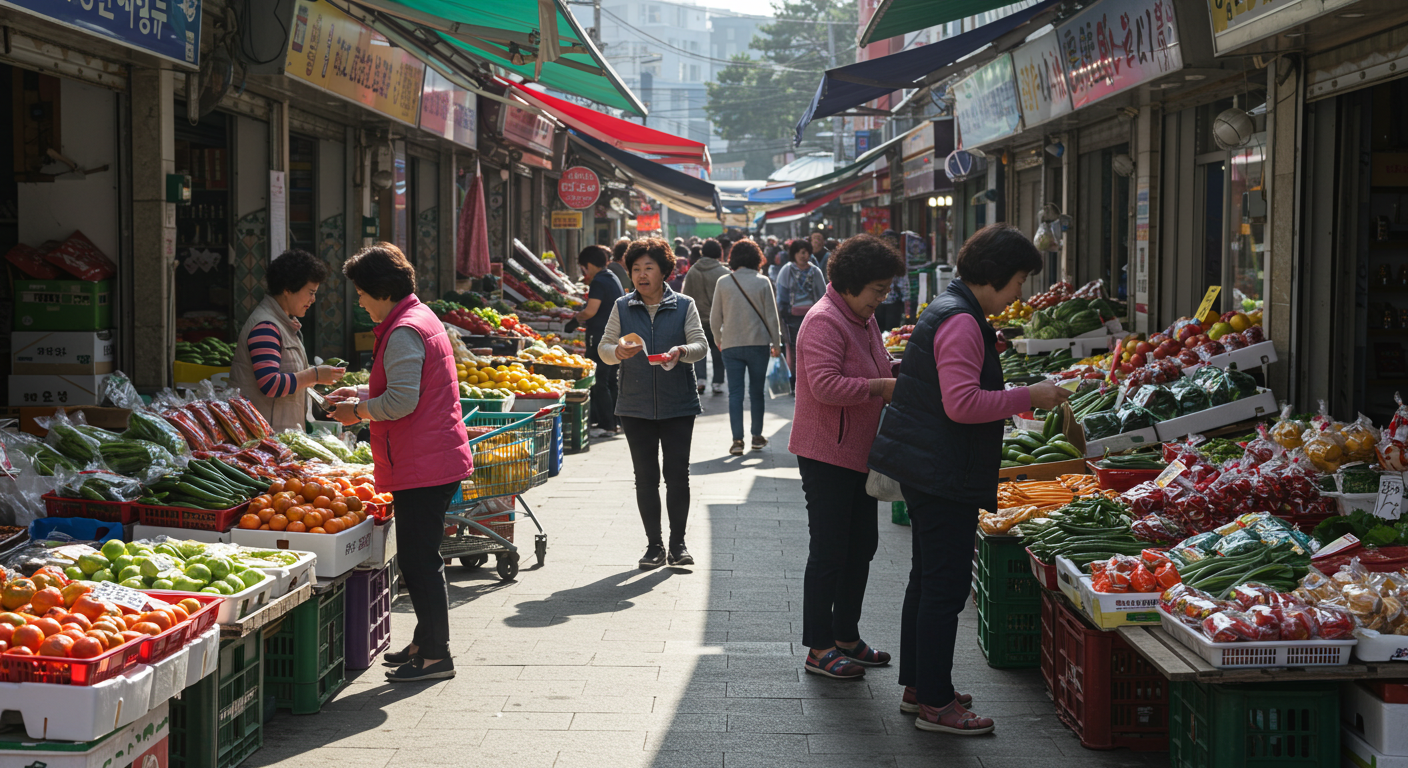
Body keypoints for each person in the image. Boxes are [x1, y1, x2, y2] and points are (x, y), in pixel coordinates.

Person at [868, 224, 1070, 734]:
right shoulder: (960, 319)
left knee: (927, 581)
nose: (1019, 292)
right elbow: (961, 404)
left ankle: (922, 687)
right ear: (997, 274)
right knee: (944, 588)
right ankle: (936, 705)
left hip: (931, 466)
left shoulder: (950, 308)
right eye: (1019, 280)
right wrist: (1029, 397)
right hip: (943, 472)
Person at [328, 242, 474, 683]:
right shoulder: (418, 317)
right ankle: (423, 643)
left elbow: (401, 401)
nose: (360, 302)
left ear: (382, 291)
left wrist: (357, 411)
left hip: (423, 463)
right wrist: (358, 394)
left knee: (419, 561)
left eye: (361, 293)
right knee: (419, 557)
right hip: (429, 456)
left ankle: (436, 657)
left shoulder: (404, 330)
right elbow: (407, 386)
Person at [787, 234, 906, 681]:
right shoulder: (824, 320)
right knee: (829, 550)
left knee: (862, 546)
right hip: (826, 453)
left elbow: (878, 363)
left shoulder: (862, 318)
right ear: (853, 283)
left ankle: (846, 636)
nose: (882, 298)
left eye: (886, 289)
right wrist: (881, 387)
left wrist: (900, 371)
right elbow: (825, 385)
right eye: (878, 289)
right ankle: (819, 647)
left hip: (858, 452)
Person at [598, 238, 709, 569]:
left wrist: (681, 351)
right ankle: (654, 546)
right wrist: (617, 352)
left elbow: (700, 344)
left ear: (665, 272)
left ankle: (678, 544)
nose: (642, 275)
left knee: (677, 475)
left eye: (649, 268)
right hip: (634, 405)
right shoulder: (622, 306)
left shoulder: (684, 304)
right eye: (636, 269)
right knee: (645, 477)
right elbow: (604, 348)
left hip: (679, 404)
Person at [229, 249, 344, 434]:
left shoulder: (284, 324)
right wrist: (314, 375)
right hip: (265, 436)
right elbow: (270, 384)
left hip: (278, 433)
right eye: (311, 292)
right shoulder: (266, 327)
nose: (313, 299)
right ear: (288, 289)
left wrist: (319, 391)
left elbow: (289, 376)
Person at [709, 239, 782, 456]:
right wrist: (776, 343)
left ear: (733, 258)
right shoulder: (763, 282)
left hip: (731, 345)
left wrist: (719, 339)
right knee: (757, 393)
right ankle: (757, 436)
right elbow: (772, 317)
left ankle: (737, 441)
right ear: (756, 258)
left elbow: (715, 318)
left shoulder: (723, 282)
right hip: (758, 344)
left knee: (735, 394)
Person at [575, 245, 624, 438]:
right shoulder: (612, 277)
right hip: (615, 336)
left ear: (588, 265)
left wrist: (576, 318)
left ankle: (607, 425)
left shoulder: (598, 281)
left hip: (601, 337)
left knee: (599, 380)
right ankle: (616, 422)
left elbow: (590, 311)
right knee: (611, 380)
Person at [775, 239, 827, 387]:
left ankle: (811, 378)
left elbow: (822, 294)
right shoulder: (787, 270)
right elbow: (782, 294)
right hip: (792, 317)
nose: (804, 256)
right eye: (801, 252)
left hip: (813, 317)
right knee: (794, 348)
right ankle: (795, 380)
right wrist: (784, 312)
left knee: (813, 348)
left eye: (807, 252)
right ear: (794, 254)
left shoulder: (815, 271)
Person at [681, 239, 730, 396]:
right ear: (719, 253)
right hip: (718, 321)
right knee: (718, 351)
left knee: (699, 351)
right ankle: (717, 382)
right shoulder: (724, 273)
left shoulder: (693, 271)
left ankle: (700, 380)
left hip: (696, 320)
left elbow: (685, 296)